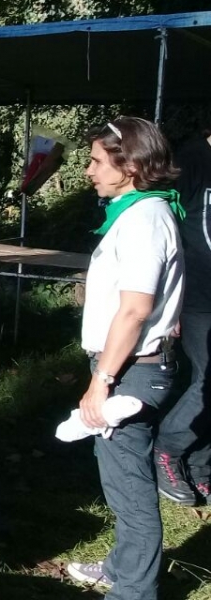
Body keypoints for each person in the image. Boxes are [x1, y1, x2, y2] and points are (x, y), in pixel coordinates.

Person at [63, 117, 184, 600]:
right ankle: (122, 566)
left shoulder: (144, 220)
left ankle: (133, 591)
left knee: (130, 490)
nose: (89, 170)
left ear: (129, 164)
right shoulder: (136, 213)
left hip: (131, 370)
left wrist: (102, 379)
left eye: (96, 160)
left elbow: (135, 309)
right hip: (130, 368)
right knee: (119, 474)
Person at [155, 127, 211, 506]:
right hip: (197, 297)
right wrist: (169, 302)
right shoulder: (190, 160)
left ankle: (200, 467)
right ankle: (168, 449)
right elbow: (166, 233)